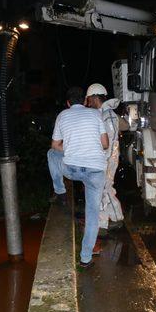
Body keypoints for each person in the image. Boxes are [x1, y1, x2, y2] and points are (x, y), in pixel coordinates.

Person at [47, 86, 109, 268]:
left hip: (72, 169)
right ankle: (85, 258)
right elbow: (104, 144)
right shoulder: (96, 115)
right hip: (96, 171)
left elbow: (54, 145)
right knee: (92, 216)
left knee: (52, 154)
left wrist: (72, 149)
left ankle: (60, 190)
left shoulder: (62, 115)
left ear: (68, 103)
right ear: (84, 101)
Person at [85, 83, 125, 233]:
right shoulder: (104, 114)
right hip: (107, 158)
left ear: (95, 98)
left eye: (89, 100)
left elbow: (110, 141)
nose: (88, 103)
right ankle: (114, 218)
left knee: (102, 189)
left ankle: (107, 222)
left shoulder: (107, 115)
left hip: (107, 159)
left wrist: (102, 158)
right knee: (105, 189)